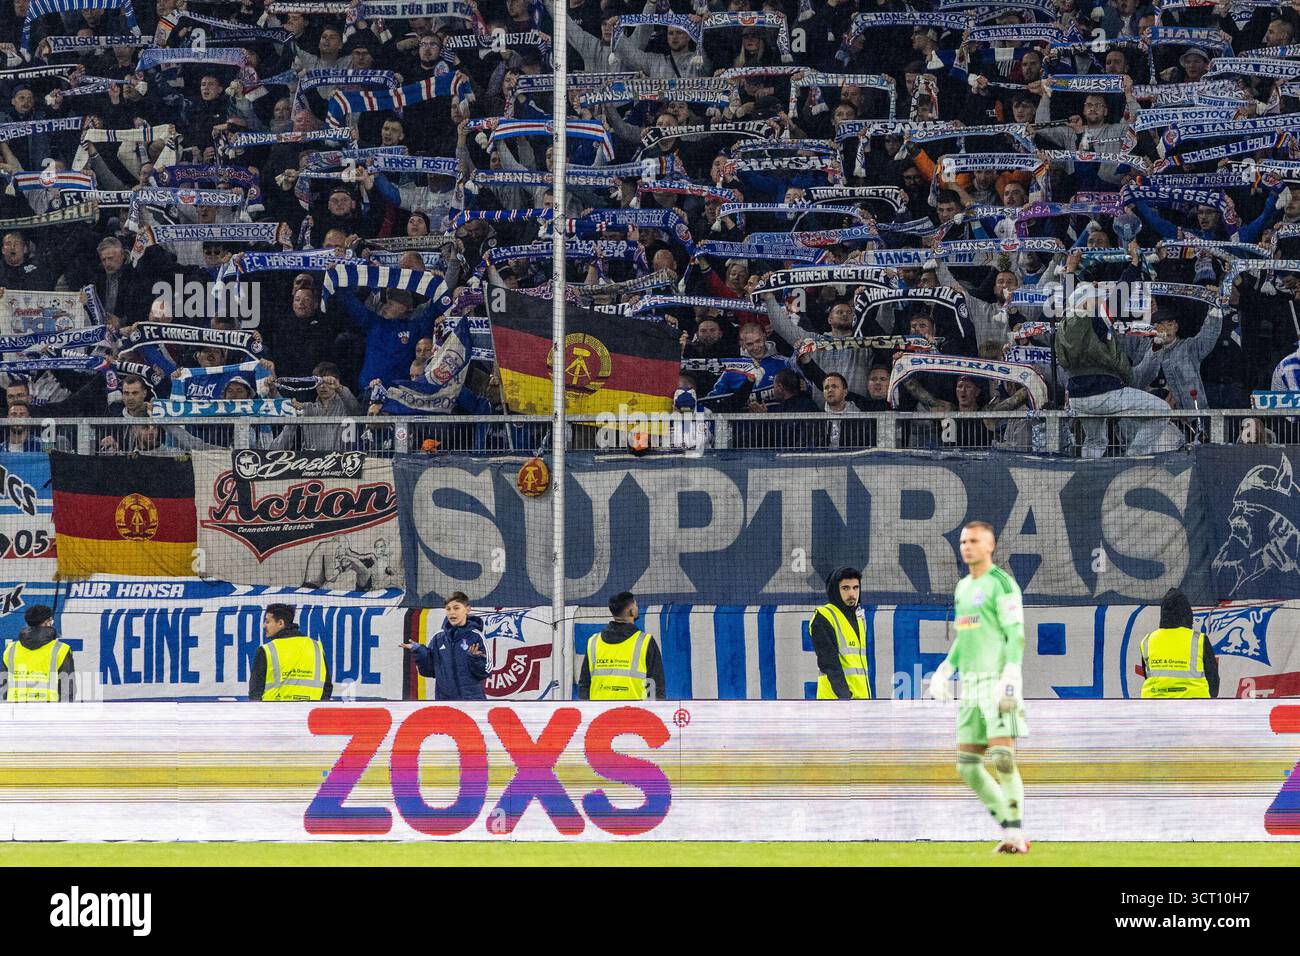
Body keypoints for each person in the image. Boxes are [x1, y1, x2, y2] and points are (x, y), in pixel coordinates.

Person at [929, 521, 1030, 854]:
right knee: (967, 765)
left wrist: (1011, 674)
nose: (966, 546)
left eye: (973, 540)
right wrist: (947, 668)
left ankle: (1015, 832)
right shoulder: (962, 588)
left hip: (997, 681)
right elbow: (965, 634)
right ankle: (1010, 828)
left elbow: (1015, 632)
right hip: (970, 686)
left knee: (1002, 756)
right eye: (962, 541)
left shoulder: (1002, 584)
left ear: (991, 545)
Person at [400, 591, 491, 700]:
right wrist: (420, 651)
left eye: (456, 608)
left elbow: (485, 671)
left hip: (472, 702)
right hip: (444, 702)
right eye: (448, 609)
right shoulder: (438, 638)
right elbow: (428, 671)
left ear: (467, 609)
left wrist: (475, 659)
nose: (452, 612)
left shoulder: (476, 637)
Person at [579, 591, 666, 700]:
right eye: (636, 605)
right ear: (632, 611)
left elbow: (584, 684)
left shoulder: (593, 641)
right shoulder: (645, 641)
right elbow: (656, 685)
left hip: (600, 713)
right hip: (635, 713)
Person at [1138, 588, 1219, 698]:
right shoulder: (1198, 640)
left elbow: (1148, 675)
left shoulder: (1148, 640)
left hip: (1155, 706)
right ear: (1187, 613)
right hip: (1194, 706)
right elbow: (1213, 678)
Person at [809, 567, 871, 699]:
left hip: (861, 701)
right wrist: (846, 698)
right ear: (835, 590)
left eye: (855, 587)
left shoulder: (859, 618)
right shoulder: (823, 617)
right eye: (845, 588)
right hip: (836, 703)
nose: (852, 594)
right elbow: (829, 663)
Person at [248, 604, 331, 701]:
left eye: (267, 621)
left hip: (274, 713)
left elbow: (255, 692)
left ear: (280, 623)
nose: (264, 626)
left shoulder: (267, 650)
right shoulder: (315, 647)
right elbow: (327, 687)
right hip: (309, 712)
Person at [0, 605, 75, 701]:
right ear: (48, 622)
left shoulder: (11, 649)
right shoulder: (61, 649)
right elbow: (67, 688)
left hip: (15, 710)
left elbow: (2, 684)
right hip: (48, 711)